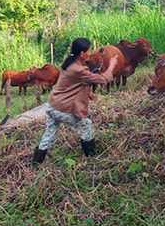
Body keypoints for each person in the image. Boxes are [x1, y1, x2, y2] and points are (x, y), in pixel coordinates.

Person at [32, 37, 118, 165]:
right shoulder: (79, 69)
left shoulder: (69, 63)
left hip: (51, 106)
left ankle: (36, 162)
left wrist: (87, 93)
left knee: (50, 134)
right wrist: (112, 65)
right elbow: (102, 79)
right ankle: (92, 157)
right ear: (82, 54)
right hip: (61, 109)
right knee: (87, 126)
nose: (90, 53)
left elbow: (69, 84)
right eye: (89, 51)